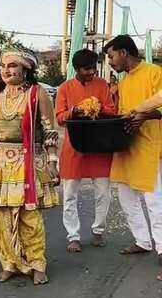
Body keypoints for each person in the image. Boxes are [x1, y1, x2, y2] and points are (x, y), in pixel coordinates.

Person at [0, 49, 59, 285]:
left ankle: (37, 264)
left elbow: (50, 131)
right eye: (3, 66)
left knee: (29, 216)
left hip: (27, 161)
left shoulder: (37, 93)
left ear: (25, 69)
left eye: (12, 65)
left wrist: (52, 162)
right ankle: (9, 263)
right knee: (0, 216)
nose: (6, 70)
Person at [106, 35, 162, 276]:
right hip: (127, 147)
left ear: (124, 53)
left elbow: (159, 107)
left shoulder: (154, 72)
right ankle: (142, 240)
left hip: (150, 146)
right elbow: (123, 113)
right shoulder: (123, 81)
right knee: (126, 196)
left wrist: (144, 115)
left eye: (111, 57)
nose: (110, 62)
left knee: (155, 201)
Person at [55, 48, 116, 253]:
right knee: (70, 195)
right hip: (74, 148)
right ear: (77, 69)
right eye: (87, 69)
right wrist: (75, 111)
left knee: (103, 193)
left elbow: (112, 110)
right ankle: (73, 236)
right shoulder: (64, 88)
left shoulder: (102, 85)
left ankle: (98, 230)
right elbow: (59, 117)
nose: (92, 72)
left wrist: (97, 107)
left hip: (99, 147)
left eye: (93, 68)